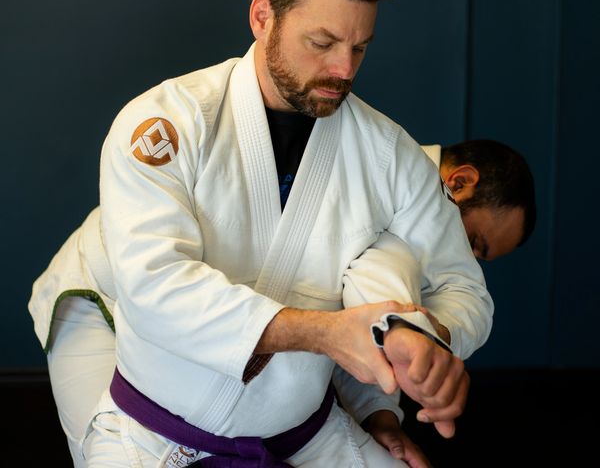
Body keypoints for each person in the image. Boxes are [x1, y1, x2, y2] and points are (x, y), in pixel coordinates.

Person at [29, 0, 493, 467]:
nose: (344, 70)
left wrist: (428, 339)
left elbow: (465, 290)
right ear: (262, 16)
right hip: (150, 430)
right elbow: (155, 286)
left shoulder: (392, 157)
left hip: (303, 432)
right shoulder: (168, 121)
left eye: (359, 47)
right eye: (321, 43)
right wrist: (324, 334)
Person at [28, 138, 532, 468]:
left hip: (224, 329)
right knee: (103, 454)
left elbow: (353, 323)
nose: (467, 261)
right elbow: (364, 308)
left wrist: (380, 414)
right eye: (475, 242)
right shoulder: (378, 170)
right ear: (458, 182)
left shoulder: (417, 240)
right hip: (105, 289)